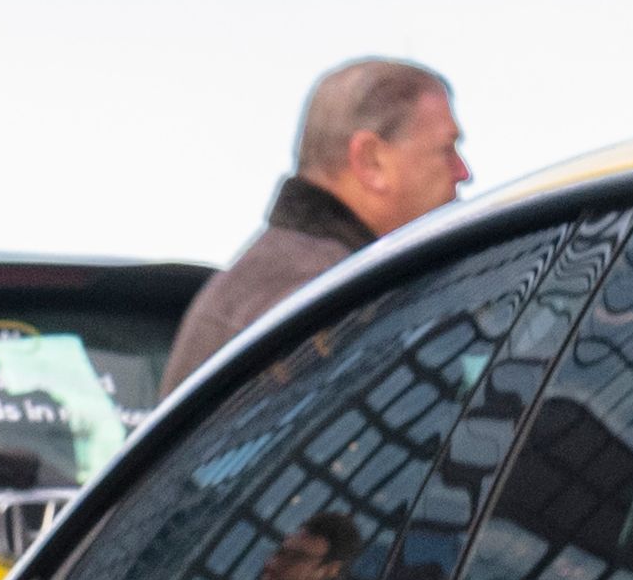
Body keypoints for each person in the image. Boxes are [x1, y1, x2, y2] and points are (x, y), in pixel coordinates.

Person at [166, 55, 469, 382]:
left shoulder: (282, 286)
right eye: (446, 149)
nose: (464, 172)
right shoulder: (321, 306)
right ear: (371, 161)